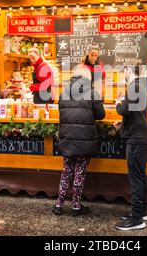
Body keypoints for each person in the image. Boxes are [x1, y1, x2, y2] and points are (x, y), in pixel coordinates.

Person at [53, 65, 105, 216]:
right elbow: (101, 114)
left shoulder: (63, 94)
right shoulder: (92, 93)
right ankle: (76, 206)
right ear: (87, 78)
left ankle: (59, 204)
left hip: (67, 138)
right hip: (84, 139)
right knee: (79, 172)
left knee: (67, 170)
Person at [114, 65, 147, 231]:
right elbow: (135, 114)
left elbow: (123, 109)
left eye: (124, 72)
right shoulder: (141, 86)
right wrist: (123, 125)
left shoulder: (134, 86)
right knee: (140, 176)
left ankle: (137, 219)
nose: (124, 75)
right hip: (141, 136)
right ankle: (142, 211)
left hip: (136, 139)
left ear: (128, 71)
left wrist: (118, 102)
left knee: (135, 178)